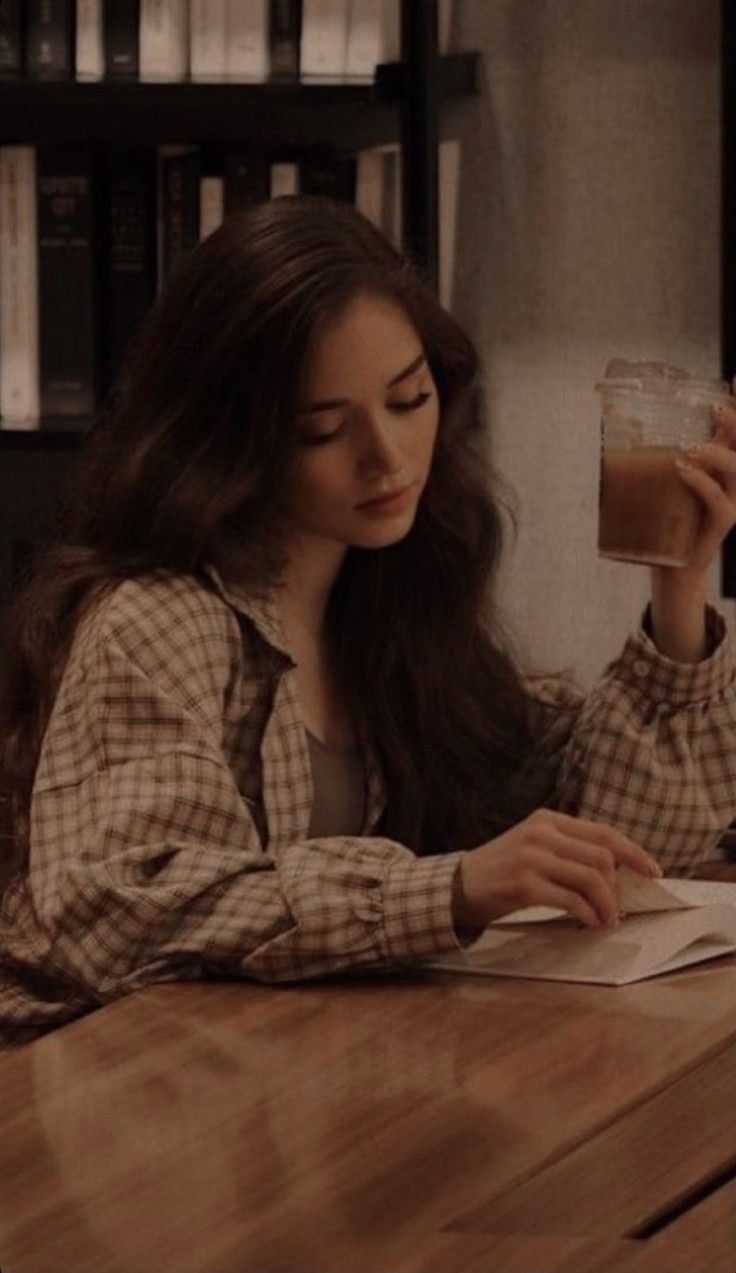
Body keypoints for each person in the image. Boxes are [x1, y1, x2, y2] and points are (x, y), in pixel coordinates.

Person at [1, 195, 735, 1047]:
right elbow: (124, 912)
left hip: (299, 1085)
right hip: (114, 1108)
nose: (388, 456)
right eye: (323, 429)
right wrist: (450, 889)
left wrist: (678, 589)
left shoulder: (392, 602)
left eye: (408, 398)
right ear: (230, 439)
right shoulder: (161, 620)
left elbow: (619, 844)